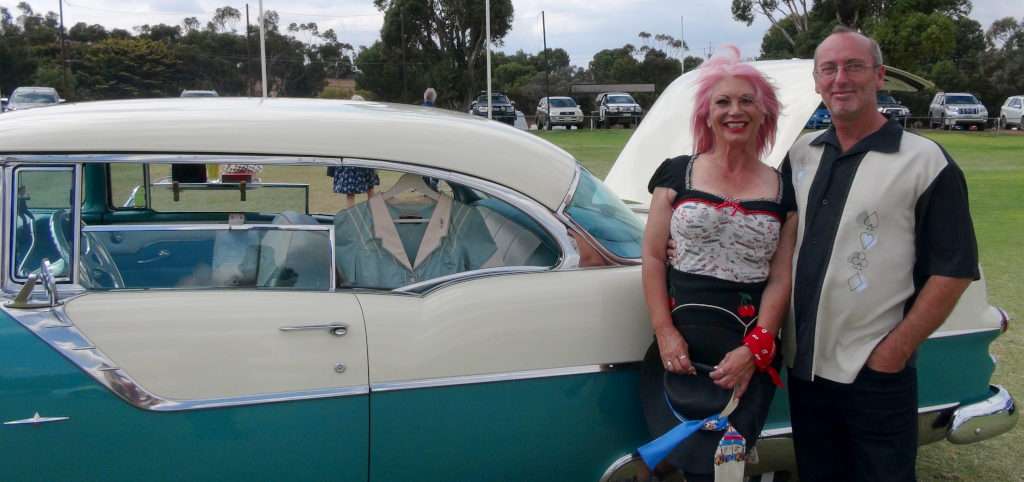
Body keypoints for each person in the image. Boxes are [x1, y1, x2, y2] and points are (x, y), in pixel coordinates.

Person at [780, 26, 979, 482]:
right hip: (806, 370)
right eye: (828, 69)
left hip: (875, 373)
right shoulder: (802, 154)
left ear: (879, 76)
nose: (840, 78)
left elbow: (953, 270)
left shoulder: (926, 161)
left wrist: (894, 351)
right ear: (816, 81)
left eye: (854, 66)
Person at [640, 46, 797, 482]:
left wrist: (756, 349)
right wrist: (665, 332)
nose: (735, 111)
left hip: (747, 346)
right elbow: (652, 257)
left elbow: (781, 277)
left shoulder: (785, 190)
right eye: (723, 102)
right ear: (706, 115)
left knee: (726, 470)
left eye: (747, 101)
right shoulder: (675, 175)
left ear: (764, 113)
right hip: (681, 345)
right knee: (673, 463)